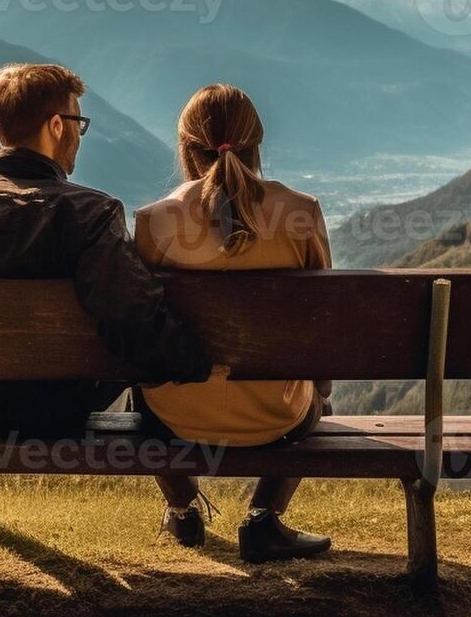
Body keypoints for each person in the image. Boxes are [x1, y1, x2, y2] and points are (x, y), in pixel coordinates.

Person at [0, 62, 213, 520]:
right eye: (78, 123)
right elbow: (134, 323)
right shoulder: (90, 213)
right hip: (61, 410)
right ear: (57, 126)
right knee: (145, 353)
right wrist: (197, 361)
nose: (80, 136)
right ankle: (183, 507)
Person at [133, 83, 334, 563]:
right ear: (256, 145)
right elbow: (325, 321)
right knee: (315, 397)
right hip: (277, 417)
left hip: (174, 416)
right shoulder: (301, 213)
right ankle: (264, 519)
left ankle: (182, 513)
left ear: (186, 149)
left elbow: (138, 330)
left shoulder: (153, 221)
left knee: (142, 386)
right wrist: (320, 391)